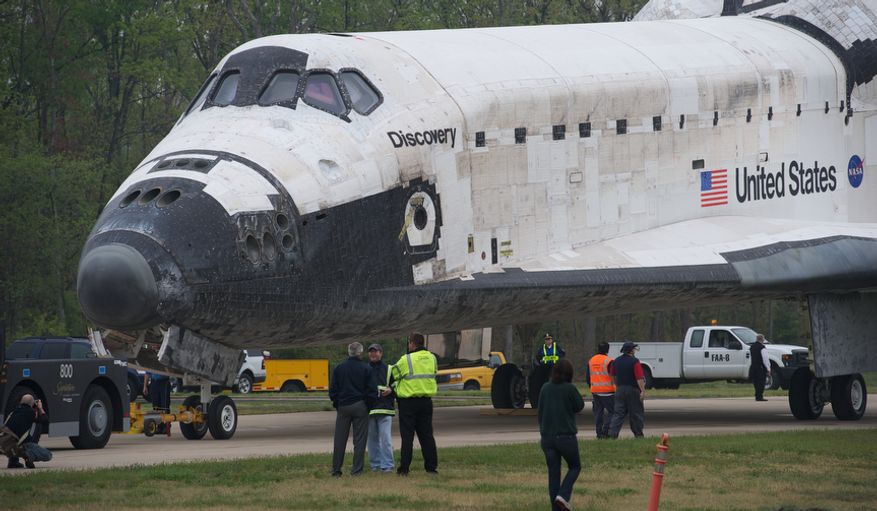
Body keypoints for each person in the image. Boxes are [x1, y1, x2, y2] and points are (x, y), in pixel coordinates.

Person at [387, 332, 438, 475]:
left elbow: (392, 375)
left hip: (408, 403)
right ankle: (431, 467)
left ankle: (404, 468)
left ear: (412, 343)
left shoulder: (406, 359)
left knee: (408, 436)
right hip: (426, 402)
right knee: (427, 435)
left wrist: (395, 387)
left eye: (409, 343)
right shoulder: (432, 358)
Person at [537, 358, 584, 511]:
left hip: (547, 438)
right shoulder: (569, 389)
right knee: (575, 466)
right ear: (569, 373)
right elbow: (579, 406)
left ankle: (555, 507)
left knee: (553, 474)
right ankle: (563, 496)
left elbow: (540, 410)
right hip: (566, 437)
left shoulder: (545, 387)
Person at [329, 341, 376, 476]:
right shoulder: (366, 368)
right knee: (359, 440)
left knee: (339, 439)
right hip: (360, 405)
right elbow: (372, 391)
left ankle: (336, 470)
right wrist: (368, 406)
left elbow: (333, 390)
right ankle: (356, 470)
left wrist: (337, 403)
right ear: (360, 353)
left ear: (348, 352)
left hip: (343, 406)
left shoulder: (339, 368)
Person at [366, 343, 395, 473]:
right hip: (370, 409)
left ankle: (387, 465)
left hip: (385, 408)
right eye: (371, 352)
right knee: (372, 440)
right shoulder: (365, 368)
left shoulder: (389, 369)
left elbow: (397, 385)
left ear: (381, 353)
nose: (373, 354)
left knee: (385, 439)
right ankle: (375, 466)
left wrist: (391, 389)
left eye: (376, 351)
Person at [607, 341, 645, 438]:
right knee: (635, 413)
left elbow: (612, 375)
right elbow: (639, 377)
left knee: (618, 413)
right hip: (633, 390)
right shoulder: (635, 361)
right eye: (633, 348)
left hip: (620, 389)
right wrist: (642, 391)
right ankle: (638, 434)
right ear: (631, 350)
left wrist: (616, 386)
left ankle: (612, 434)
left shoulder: (616, 361)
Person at [4, 394, 52, 469]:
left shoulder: (13, 412)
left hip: (5, 445)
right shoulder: (31, 412)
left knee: (16, 436)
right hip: (19, 446)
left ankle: (13, 462)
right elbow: (45, 421)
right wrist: (40, 408)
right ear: (32, 403)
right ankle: (29, 455)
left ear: (21, 402)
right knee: (48, 455)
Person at [586, 341, 616, 439]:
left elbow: (588, 377)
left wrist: (592, 387)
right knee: (613, 412)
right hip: (608, 391)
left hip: (595, 391)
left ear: (597, 349)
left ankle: (599, 434)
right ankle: (605, 431)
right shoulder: (609, 361)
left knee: (598, 413)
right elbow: (614, 376)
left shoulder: (591, 360)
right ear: (608, 350)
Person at [143, 372, 172, 436]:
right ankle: (159, 426)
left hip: (164, 382)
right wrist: (145, 386)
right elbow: (147, 373)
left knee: (164, 405)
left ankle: (166, 426)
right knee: (155, 406)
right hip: (154, 382)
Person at [750, 334, 770, 401]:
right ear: (762, 339)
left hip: (753, 366)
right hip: (760, 367)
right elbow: (765, 359)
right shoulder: (762, 347)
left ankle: (757, 395)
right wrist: (768, 368)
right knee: (761, 383)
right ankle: (759, 396)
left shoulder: (752, 347)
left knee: (756, 382)